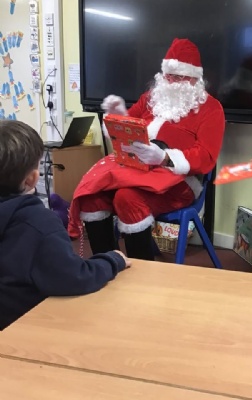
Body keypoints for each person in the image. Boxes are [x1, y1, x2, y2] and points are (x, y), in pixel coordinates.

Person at [68, 38, 225, 261]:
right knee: (93, 194)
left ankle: (142, 270)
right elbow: (128, 127)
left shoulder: (211, 109)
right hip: (135, 171)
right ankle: (106, 262)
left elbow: (206, 157)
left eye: (178, 77)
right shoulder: (151, 98)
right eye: (168, 75)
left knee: (127, 198)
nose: (171, 82)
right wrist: (118, 117)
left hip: (180, 181)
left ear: (194, 78)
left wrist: (165, 158)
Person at [0, 120, 131, 330]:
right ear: (32, 179)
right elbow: (75, 278)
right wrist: (113, 260)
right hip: (21, 329)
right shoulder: (39, 224)